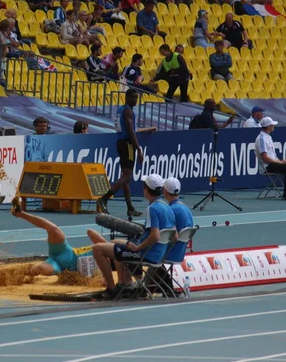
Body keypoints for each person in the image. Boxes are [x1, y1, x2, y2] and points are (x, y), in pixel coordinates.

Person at [93, 174, 176, 299]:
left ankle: (111, 289)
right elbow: (174, 237)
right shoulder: (168, 207)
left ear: (145, 189)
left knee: (97, 248)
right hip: (159, 254)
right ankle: (125, 284)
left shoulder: (152, 209)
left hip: (145, 254)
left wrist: (138, 248)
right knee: (118, 243)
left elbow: (155, 236)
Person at [10, 198, 107, 276]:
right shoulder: (105, 248)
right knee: (53, 229)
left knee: (42, 269)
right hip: (65, 250)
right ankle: (20, 213)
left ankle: (17, 274)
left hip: (59, 266)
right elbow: (90, 232)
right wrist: (105, 243)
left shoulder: (106, 271)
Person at [97, 89, 156, 217]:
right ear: (127, 97)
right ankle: (104, 199)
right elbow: (130, 131)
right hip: (128, 144)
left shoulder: (121, 110)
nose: (135, 100)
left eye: (137, 98)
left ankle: (130, 208)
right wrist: (139, 149)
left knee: (126, 178)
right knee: (127, 176)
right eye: (133, 98)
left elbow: (129, 128)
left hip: (121, 142)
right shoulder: (128, 111)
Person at [255, 117, 286, 201]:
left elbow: (272, 156)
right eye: (272, 124)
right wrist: (280, 162)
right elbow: (265, 158)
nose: (274, 126)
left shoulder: (268, 137)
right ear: (268, 126)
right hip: (267, 166)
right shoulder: (261, 139)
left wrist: (280, 162)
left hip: (273, 164)